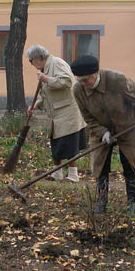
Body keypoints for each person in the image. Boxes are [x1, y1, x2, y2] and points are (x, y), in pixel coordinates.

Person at [70, 55, 135, 215]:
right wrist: (103, 132)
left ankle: (131, 202)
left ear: (96, 73)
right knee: (100, 165)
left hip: (128, 125)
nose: (84, 84)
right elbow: (88, 118)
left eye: (87, 80)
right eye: (80, 80)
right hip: (100, 129)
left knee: (130, 163)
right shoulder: (78, 90)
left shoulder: (116, 80)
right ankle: (101, 200)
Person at [26, 45, 87, 182]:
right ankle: (57, 173)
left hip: (68, 112)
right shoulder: (45, 68)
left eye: (31, 61)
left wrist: (46, 79)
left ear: (37, 57)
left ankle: (73, 175)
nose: (31, 64)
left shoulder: (57, 63)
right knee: (56, 143)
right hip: (56, 114)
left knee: (69, 144)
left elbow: (67, 81)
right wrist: (35, 105)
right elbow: (48, 94)